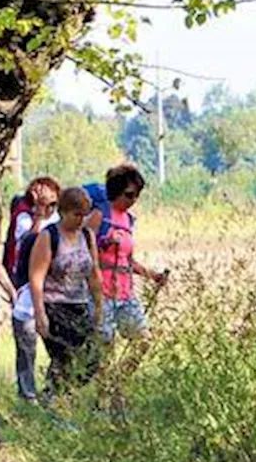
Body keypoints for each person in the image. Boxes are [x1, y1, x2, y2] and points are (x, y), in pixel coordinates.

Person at [30, 187, 104, 394]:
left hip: (79, 304)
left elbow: (94, 273)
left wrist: (99, 305)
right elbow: (36, 276)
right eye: (76, 215)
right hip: (54, 305)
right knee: (65, 356)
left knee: (92, 358)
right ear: (63, 212)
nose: (80, 220)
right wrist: (40, 313)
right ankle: (58, 400)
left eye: (84, 214)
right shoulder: (49, 236)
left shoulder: (87, 236)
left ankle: (54, 393)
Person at [86, 164, 167, 349]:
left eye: (137, 195)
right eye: (129, 195)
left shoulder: (128, 220)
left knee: (144, 340)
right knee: (103, 349)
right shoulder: (100, 215)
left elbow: (127, 261)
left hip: (125, 294)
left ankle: (120, 378)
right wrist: (106, 243)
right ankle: (103, 378)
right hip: (101, 293)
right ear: (116, 191)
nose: (134, 200)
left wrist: (152, 275)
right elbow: (84, 253)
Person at [9, 177, 60, 401]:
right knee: (27, 347)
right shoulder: (23, 218)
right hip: (27, 293)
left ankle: (52, 392)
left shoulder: (59, 220)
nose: (49, 209)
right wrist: (38, 216)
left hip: (55, 293)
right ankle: (27, 395)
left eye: (52, 204)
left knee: (60, 349)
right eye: (43, 203)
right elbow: (27, 243)